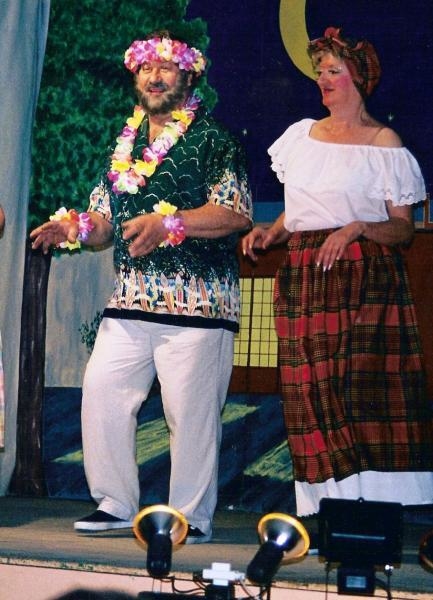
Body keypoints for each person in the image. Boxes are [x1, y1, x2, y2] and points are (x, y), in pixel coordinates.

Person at [31, 30, 252, 543]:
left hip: (199, 305)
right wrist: (74, 227)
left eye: (165, 68)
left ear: (187, 76)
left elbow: (235, 213)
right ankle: (114, 503)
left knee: (190, 415)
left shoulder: (213, 140)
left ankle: (189, 517)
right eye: (146, 68)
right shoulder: (125, 144)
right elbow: (104, 221)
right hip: (130, 301)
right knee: (102, 392)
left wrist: (169, 223)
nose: (154, 77)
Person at [242, 26, 433, 518]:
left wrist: (357, 227)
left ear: (359, 79)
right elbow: (299, 209)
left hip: (365, 276)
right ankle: (321, 508)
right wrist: (271, 233)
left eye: (334, 71)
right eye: (321, 71)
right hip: (306, 274)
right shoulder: (302, 136)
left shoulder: (384, 143)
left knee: (361, 389)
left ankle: (372, 511)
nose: (324, 80)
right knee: (309, 390)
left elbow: (402, 229)